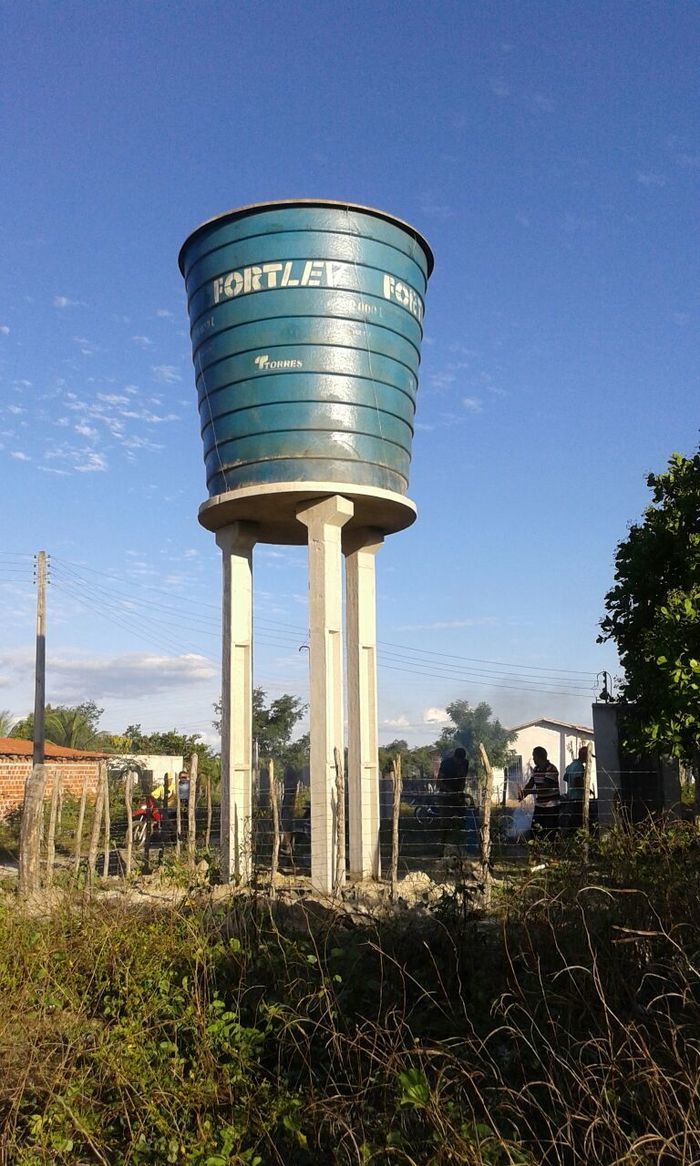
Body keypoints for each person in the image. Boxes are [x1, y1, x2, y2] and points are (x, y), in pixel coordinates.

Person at [518, 746, 560, 841]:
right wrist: (523, 793)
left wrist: (529, 792)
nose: (533, 759)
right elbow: (531, 783)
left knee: (550, 832)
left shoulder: (551, 769)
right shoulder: (536, 769)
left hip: (551, 806)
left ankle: (551, 852)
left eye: (534, 756)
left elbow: (545, 788)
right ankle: (536, 851)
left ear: (539, 757)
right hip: (540, 805)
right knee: (535, 831)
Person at [437, 747, 469, 848]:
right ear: (454, 757)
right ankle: (443, 845)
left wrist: (460, 791)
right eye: (458, 760)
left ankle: (462, 844)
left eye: (461, 761)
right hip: (446, 795)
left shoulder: (465, 763)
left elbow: (463, 779)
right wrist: (450, 791)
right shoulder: (446, 764)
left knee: (463, 818)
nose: (460, 763)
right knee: (445, 822)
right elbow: (439, 782)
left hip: (458, 794)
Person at [562, 745, 588, 834]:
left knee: (573, 820)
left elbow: (565, 778)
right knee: (578, 821)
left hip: (570, 796)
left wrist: (571, 778)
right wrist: (586, 789)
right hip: (578, 797)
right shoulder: (580, 766)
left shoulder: (572, 765)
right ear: (584, 756)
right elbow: (577, 781)